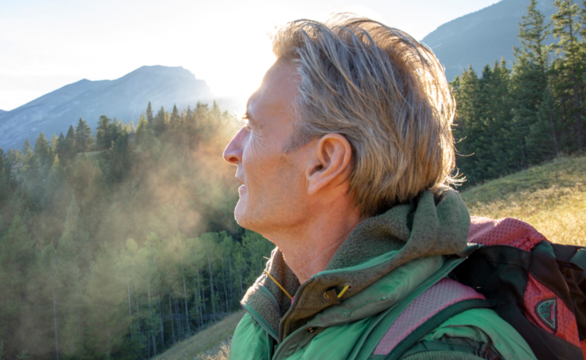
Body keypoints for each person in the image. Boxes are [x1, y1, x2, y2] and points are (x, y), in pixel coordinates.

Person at [223, 15, 536, 360]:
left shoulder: (443, 350)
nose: (230, 152)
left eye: (254, 126)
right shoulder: (270, 314)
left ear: (324, 162)